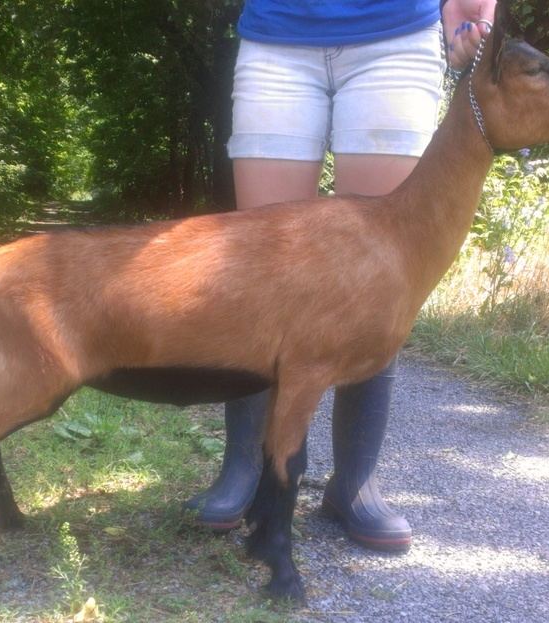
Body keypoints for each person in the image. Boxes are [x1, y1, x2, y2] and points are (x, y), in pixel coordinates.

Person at [185, 0, 497, 552]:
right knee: (262, 278)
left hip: (396, 38)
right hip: (276, 37)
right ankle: (247, 468)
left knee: (378, 275)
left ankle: (354, 482)